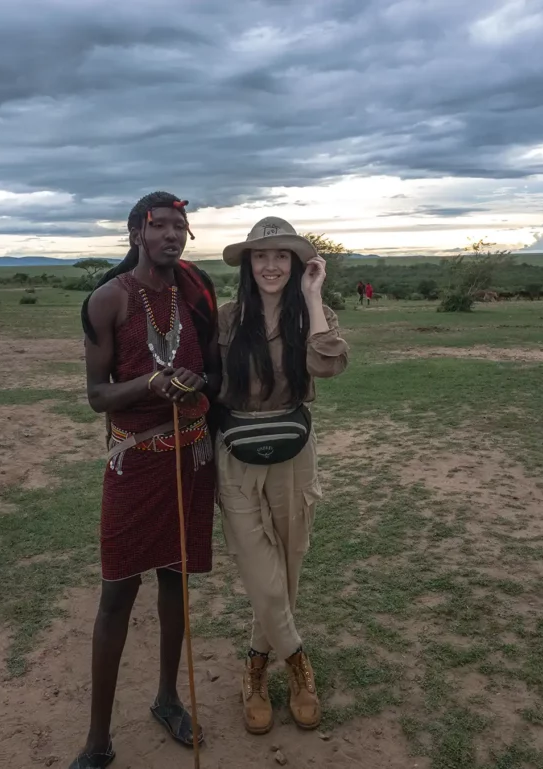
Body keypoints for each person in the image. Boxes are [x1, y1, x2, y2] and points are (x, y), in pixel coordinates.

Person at [73, 191, 221, 769]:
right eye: (161, 226)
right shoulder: (109, 299)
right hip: (134, 463)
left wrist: (195, 380)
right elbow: (96, 396)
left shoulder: (195, 291)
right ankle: (98, 740)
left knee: (175, 583)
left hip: (191, 459)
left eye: (181, 227)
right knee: (117, 592)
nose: (172, 236)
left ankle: (167, 699)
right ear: (137, 232)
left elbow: (212, 367)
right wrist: (150, 385)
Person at [216, 216, 349, 735]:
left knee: (289, 563)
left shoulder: (312, 315)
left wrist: (313, 297)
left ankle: (254, 665)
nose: (270, 266)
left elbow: (329, 366)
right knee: (260, 569)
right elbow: (209, 385)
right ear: (248, 264)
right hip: (235, 454)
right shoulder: (227, 319)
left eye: (281, 256)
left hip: (295, 451)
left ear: (296, 264)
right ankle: (295, 660)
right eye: (260, 256)